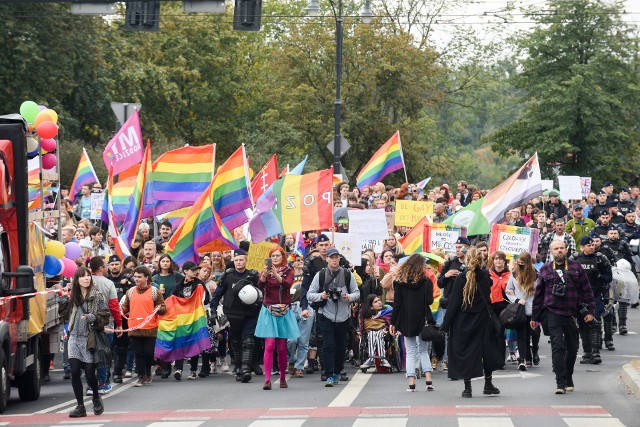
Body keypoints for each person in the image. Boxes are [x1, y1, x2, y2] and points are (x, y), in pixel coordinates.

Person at [531, 240, 595, 394]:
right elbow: (538, 296)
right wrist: (535, 317)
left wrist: (590, 311)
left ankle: (568, 376)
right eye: (556, 249)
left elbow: (587, 290)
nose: (559, 251)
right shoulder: (545, 269)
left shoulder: (576, 267)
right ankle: (560, 383)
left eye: (561, 248)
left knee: (572, 348)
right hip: (553, 313)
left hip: (572, 313)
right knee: (558, 346)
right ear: (551, 251)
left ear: (566, 250)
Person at [441, 247, 504, 398]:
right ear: (481, 260)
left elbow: (454, 303)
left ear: (468, 260)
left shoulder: (461, 278)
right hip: (483, 320)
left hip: (463, 321)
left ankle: (467, 388)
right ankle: (488, 384)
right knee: (486, 352)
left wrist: (445, 325)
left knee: (465, 353)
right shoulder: (485, 277)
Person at [58, 267, 109, 418]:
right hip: (73, 336)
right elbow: (64, 315)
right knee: (74, 371)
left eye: (88, 276)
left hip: (89, 338)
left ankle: (95, 397)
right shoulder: (73, 295)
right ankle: (80, 406)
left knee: (89, 373)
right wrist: (62, 299)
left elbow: (105, 315)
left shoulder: (97, 295)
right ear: (77, 279)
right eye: (83, 276)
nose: (86, 279)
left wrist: (93, 317)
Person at [307, 248, 359, 387]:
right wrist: (321, 296)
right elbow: (309, 294)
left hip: (343, 316)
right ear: (327, 259)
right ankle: (329, 374)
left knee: (341, 347)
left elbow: (357, 293)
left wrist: (348, 297)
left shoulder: (347, 274)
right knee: (328, 345)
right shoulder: (321, 275)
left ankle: (337, 371)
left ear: (339, 259)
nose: (334, 260)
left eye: (337, 257)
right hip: (325, 314)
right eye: (332, 257)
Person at [210, 249, 261, 383]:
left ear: (246, 260)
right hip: (232, 314)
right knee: (236, 341)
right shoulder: (228, 275)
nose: (238, 262)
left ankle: (245, 369)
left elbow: (261, 294)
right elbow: (217, 294)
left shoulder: (253, 275)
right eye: (236, 260)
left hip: (250, 313)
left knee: (248, 341)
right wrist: (213, 310)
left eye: (241, 260)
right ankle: (238, 367)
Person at [256, 246, 299, 390]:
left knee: (281, 348)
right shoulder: (266, 271)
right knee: (269, 345)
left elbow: (287, 285)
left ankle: (282, 377)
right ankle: (267, 380)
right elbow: (260, 286)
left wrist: (277, 274)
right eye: (272, 256)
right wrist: (263, 276)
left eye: (277, 255)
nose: (275, 258)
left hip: (284, 311)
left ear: (283, 257)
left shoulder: (289, 270)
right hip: (268, 310)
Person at [389, 254, 435, 392]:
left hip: (406, 319)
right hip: (422, 318)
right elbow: (430, 301)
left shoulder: (399, 282)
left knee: (410, 352)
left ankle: (411, 383)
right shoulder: (427, 281)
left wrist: (393, 322)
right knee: (423, 351)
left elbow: (397, 304)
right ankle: (428, 380)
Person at [121, 266, 167, 387]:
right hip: (134, 328)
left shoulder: (154, 291)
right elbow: (125, 307)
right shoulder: (130, 292)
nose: (136, 279)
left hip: (150, 328)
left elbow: (163, 307)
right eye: (135, 276)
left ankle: (147, 371)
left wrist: (158, 309)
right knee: (138, 353)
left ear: (147, 277)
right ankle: (142, 376)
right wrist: (121, 310)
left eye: (139, 277)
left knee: (148, 353)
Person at [570, 236, 613, 365]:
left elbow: (609, 278)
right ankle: (587, 353)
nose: (592, 247)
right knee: (583, 325)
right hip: (579, 297)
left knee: (595, 322)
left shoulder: (601, 258)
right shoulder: (575, 259)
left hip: (595, 295)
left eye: (593, 244)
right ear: (582, 247)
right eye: (589, 245)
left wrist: (599, 275)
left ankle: (595, 353)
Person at [88, 257, 123, 395]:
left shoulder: (84, 281)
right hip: (105, 325)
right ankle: (103, 383)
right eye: (106, 265)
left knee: (88, 356)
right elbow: (114, 306)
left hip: (86, 325)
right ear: (101, 268)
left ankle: (91, 386)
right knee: (103, 354)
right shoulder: (108, 283)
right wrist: (119, 324)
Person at [172, 261, 211, 380]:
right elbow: (173, 299)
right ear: (185, 271)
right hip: (182, 318)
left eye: (196, 270)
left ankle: (193, 370)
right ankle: (178, 368)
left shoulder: (199, 284)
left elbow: (206, 299)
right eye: (193, 270)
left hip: (195, 318)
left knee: (194, 342)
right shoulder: (179, 285)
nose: (195, 272)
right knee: (180, 342)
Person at [505, 252, 538, 370]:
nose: (521, 266)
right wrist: (516, 299)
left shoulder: (536, 275)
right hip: (520, 309)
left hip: (533, 309)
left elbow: (540, 292)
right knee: (522, 334)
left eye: (523, 264)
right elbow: (508, 290)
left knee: (534, 333)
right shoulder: (514, 274)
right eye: (519, 263)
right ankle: (522, 359)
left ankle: (533, 353)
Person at [287, 251, 314, 378]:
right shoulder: (288, 275)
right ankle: (291, 360)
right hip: (290, 308)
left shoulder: (308, 275)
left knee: (303, 340)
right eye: (297, 260)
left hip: (306, 306)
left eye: (301, 260)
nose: (300, 262)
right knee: (292, 340)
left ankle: (300, 366)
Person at [360, 294, 393, 370]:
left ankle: (382, 358)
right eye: (376, 302)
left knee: (378, 333)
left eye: (379, 300)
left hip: (383, 331)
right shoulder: (365, 313)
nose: (379, 302)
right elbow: (362, 326)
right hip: (370, 332)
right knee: (371, 334)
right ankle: (371, 359)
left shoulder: (387, 311)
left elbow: (391, 323)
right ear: (371, 306)